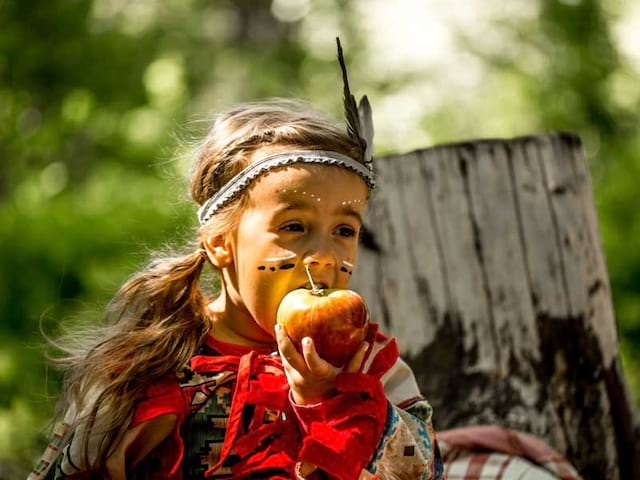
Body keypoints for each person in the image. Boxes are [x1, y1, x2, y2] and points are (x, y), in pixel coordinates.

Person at [29, 41, 444, 480]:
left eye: (345, 231)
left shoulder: (369, 364)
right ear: (221, 242)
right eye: (295, 227)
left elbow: (425, 471)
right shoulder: (150, 365)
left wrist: (333, 403)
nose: (325, 255)